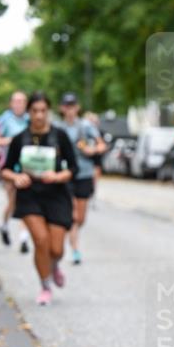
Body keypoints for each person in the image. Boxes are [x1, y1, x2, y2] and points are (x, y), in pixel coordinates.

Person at [0, 92, 78, 306]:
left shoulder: (60, 136)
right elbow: (5, 170)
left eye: (43, 111)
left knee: (56, 249)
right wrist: (16, 177)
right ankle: (45, 286)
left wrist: (57, 176)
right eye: (35, 111)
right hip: (30, 195)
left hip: (56, 195)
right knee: (41, 241)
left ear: (48, 111)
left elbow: (73, 168)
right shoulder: (20, 139)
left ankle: (54, 265)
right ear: (29, 113)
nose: (39, 115)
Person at [57, 92, 105, 265]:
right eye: (66, 106)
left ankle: (71, 237)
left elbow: (101, 145)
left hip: (84, 173)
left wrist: (92, 150)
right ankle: (75, 249)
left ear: (77, 107)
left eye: (72, 106)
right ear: (62, 108)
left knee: (80, 218)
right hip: (66, 173)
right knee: (73, 214)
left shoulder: (86, 126)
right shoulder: (58, 127)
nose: (70, 110)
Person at [0, 91, 30, 249]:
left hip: (27, 165)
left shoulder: (30, 119)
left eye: (22, 101)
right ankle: (4, 224)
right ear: (11, 103)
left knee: (25, 200)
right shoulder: (4, 119)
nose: (19, 104)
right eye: (16, 101)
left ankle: (23, 237)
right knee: (13, 201)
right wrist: (12, 141)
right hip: (9, 165)